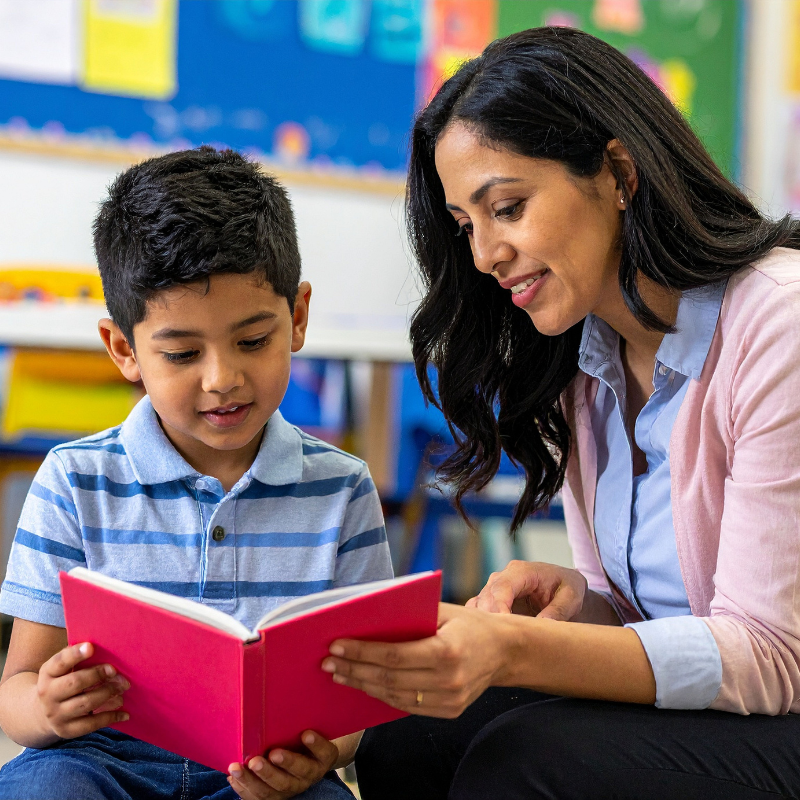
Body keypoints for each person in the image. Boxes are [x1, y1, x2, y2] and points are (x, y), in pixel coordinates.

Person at [319, 27, 800, 799]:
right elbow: (654, 621)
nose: (483, 255)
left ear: (616, 171)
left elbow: (768, 657)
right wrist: (585, 605)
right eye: (466, 225)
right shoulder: (584, 358)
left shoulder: (780, 322)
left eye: (506, 207)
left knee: (527, 759)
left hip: (783, 701)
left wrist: (508, 648)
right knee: (410, 735)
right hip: (725, 706)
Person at [0, 147, 392, 800]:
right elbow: (16, 689)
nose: (222, 379)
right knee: (42, 788)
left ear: (296, 318)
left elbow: (358, 703)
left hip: (259, 776)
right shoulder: (75, 481)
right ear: (124, 349)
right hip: (102, 761)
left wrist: (319, 751)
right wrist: (45, 710)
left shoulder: (342, 489)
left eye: (252, 340)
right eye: (182, 353)